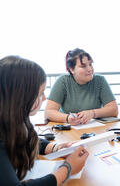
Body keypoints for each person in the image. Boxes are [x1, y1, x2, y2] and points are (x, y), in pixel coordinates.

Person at [0, 56, 89, 185]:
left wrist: (56, 148)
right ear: (22, 97)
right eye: (41, 93)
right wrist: (67, 169)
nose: (44, 98)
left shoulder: (11, 121)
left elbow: (24, 139)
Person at [45, 48, 118, 125]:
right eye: (83, 66)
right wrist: (67, 118)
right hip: (69, 130)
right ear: (72, 69)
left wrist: (93, 113)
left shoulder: (100, 80)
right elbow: (48, 112)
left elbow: (114, 110)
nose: (90, 69)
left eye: (90, 64)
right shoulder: (63, 81)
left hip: (94, 129)